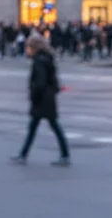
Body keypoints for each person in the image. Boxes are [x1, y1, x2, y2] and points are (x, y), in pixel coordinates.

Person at [11, 34, 70, 166]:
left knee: (45, 127)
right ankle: (23, 154)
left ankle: (24, 155)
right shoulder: (47, 59)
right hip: (48, 99)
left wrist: (34, 96)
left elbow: (40, 82)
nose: (27, 50)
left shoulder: (39, 61)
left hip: (42, 100)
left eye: (28, 47)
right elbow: (54, 82)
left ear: (34, 47)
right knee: (43, 127)